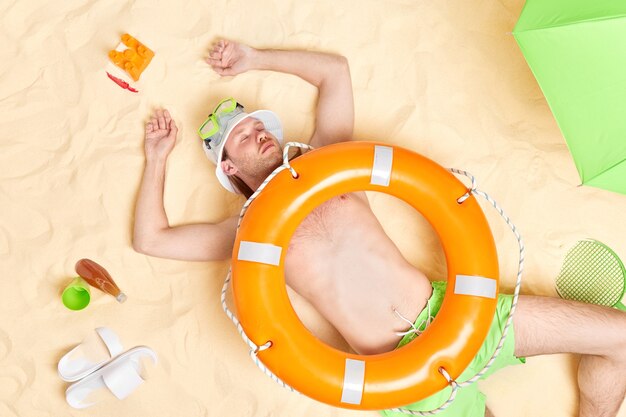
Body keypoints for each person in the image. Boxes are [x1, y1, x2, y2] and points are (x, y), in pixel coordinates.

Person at [132, 39, 626, 417]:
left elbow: (334, 73)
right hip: (400, 377)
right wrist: (157, 158)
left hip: (462, 316)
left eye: (258, 124)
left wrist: (253, 57)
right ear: (229, 170)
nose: (258, 132)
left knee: (620, 337)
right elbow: (151, 239)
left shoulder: (330, 163)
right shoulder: (246, 236)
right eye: (241, 136)